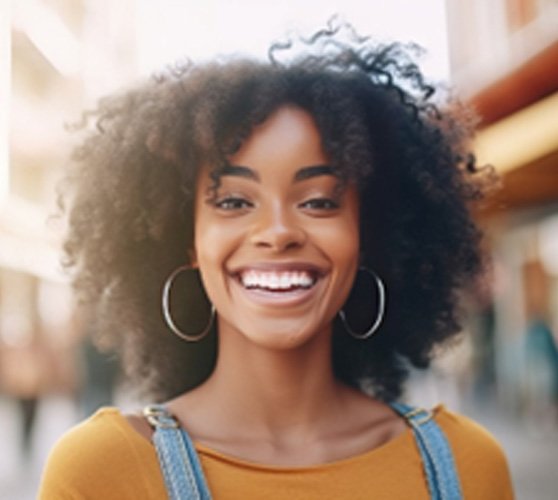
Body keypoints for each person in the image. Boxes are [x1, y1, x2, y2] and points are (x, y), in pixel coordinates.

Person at [39, 21, 514, 499]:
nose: (278, 233)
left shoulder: (467, 464)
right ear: (187, 241)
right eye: (233, 202)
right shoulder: (103, 471)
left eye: (319, 201)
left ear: (367, 235)